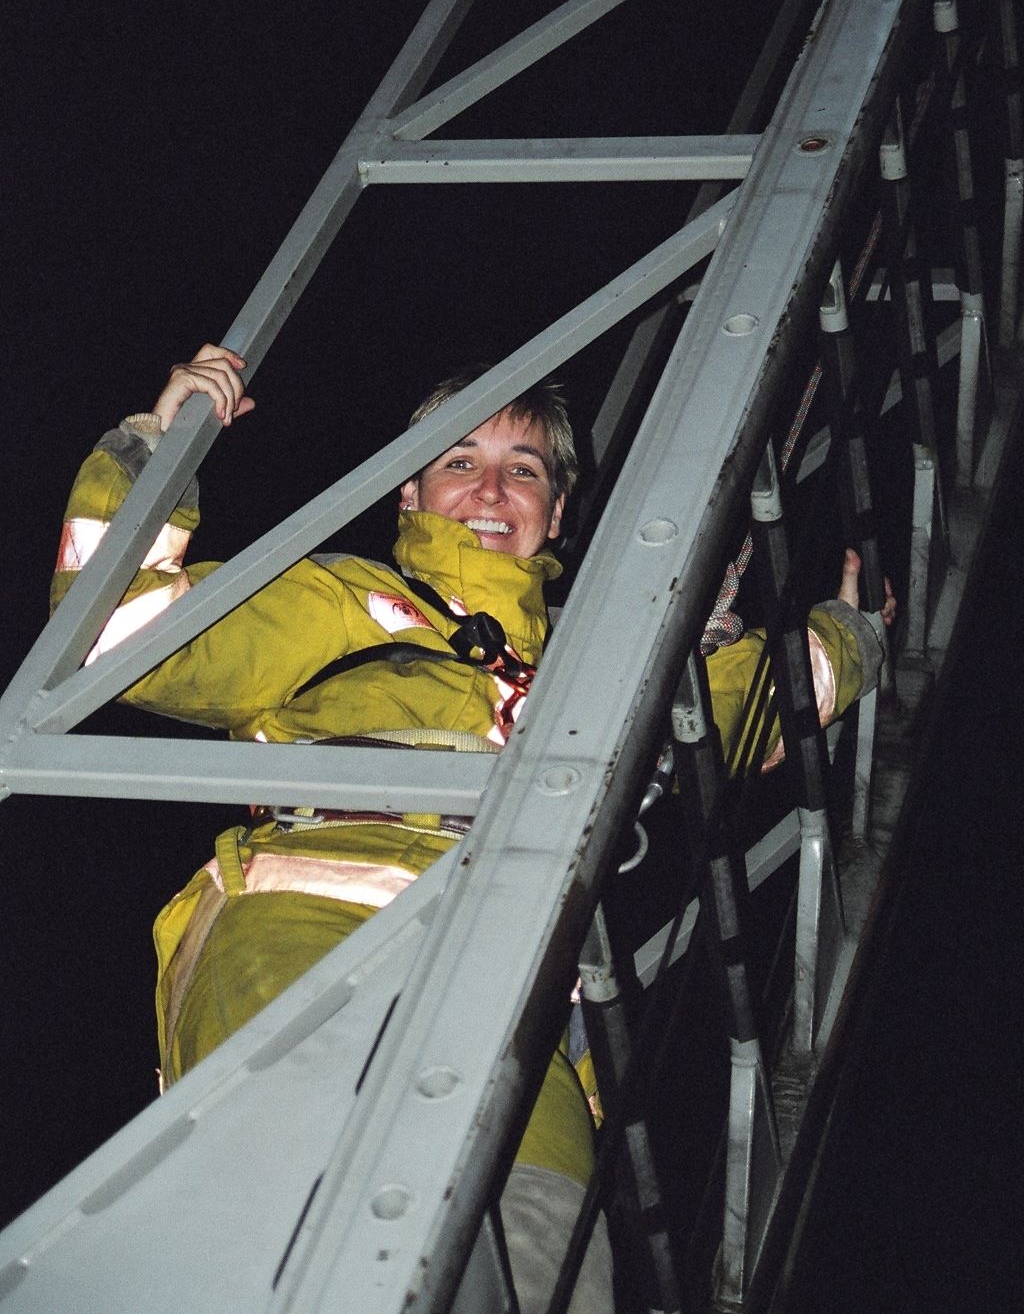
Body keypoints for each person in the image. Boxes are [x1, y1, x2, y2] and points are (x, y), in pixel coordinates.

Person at [52, 344, 893, 1311]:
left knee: (548, 1272)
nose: (492, 488)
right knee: (289, 1238)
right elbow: (116, 641)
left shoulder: (599, 657)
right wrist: (157, 444)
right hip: (308, 931)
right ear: (408, 494)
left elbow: (725, 708)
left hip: (518, 986)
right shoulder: (345, 603)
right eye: (460, 461)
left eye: (523, 469)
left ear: (557, 511)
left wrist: (846, 639)